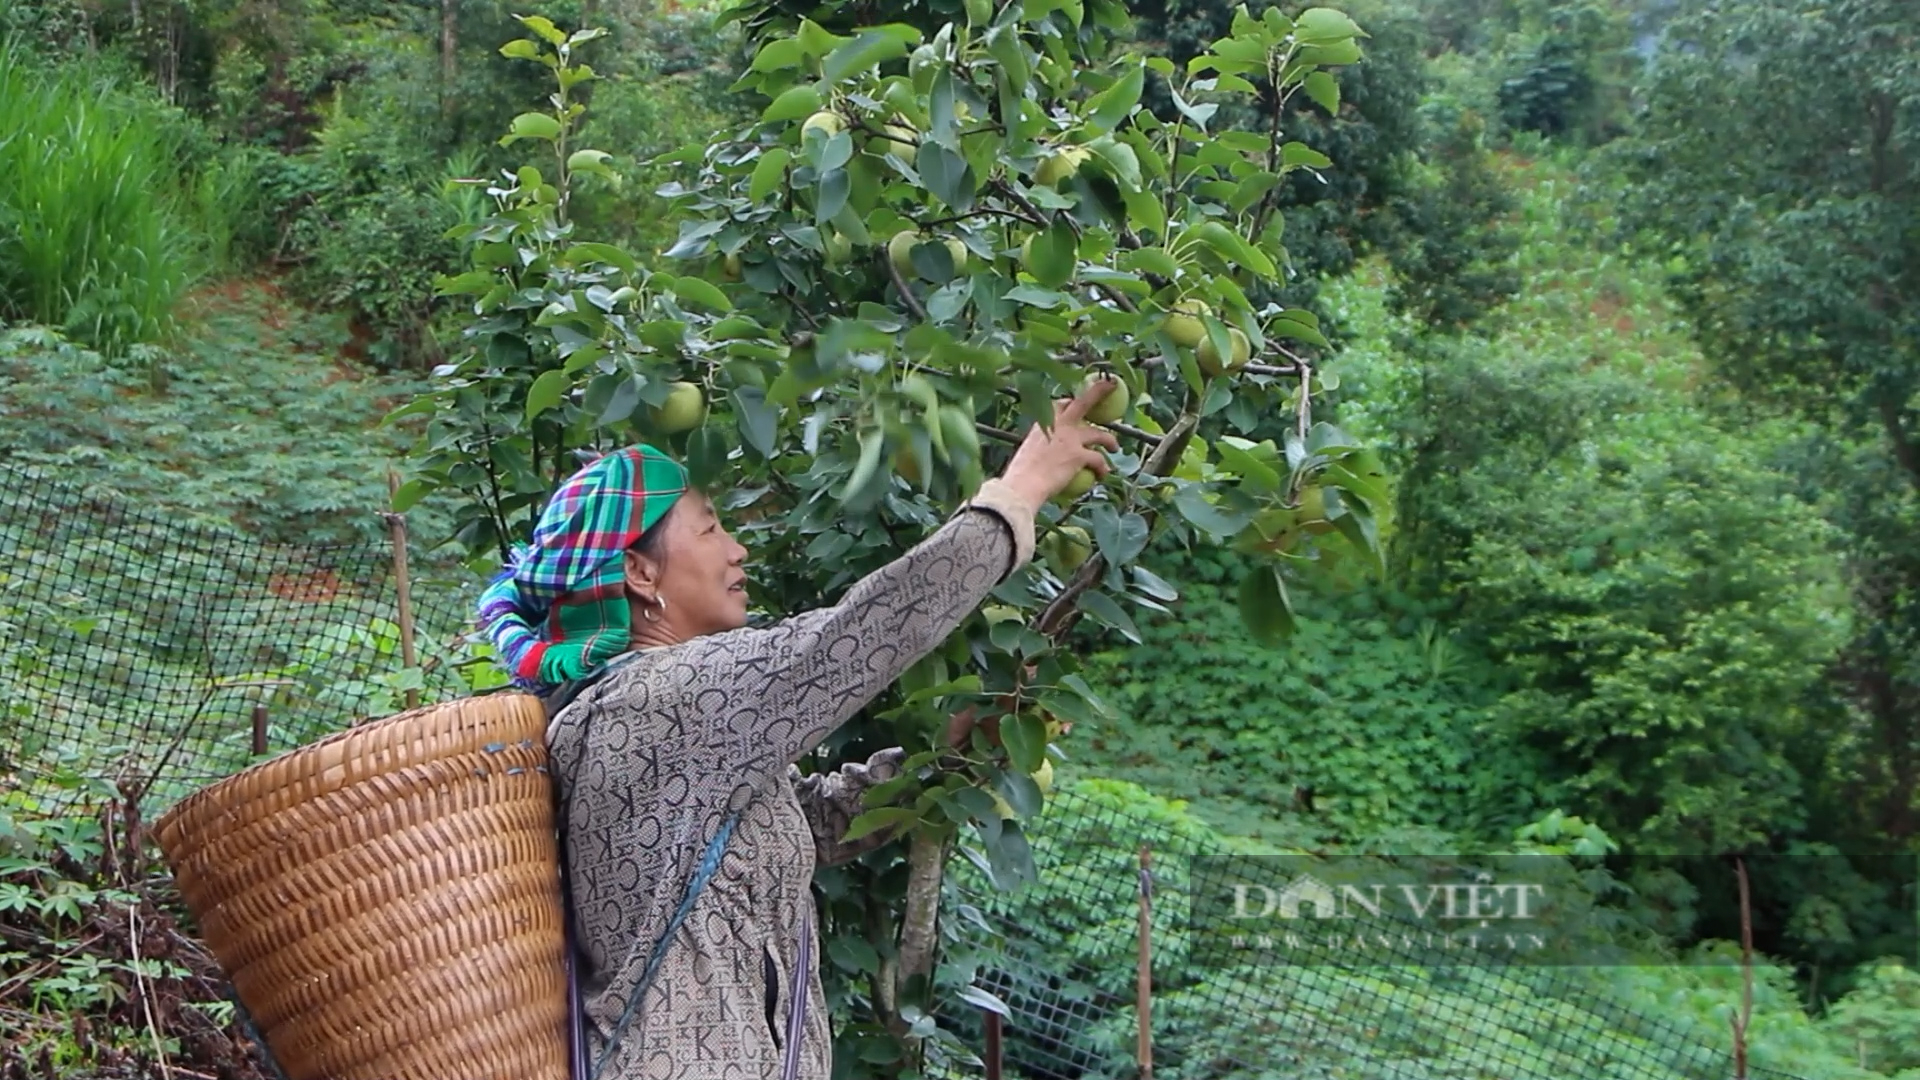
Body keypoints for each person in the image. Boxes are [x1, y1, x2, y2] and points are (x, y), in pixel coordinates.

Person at [475, 381, 1121, 1079]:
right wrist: (1015, 495)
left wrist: (950, 755)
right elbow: (856, 637)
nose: (738, 549)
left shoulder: (668, 718)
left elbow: (805, 824)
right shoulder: (662, 698)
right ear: (638, 571)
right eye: (712, 527)